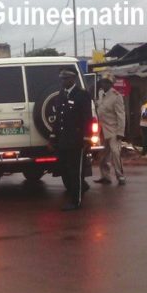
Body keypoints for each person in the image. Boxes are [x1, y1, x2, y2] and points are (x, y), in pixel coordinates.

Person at [48, 67, 92, 211]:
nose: (63, 81)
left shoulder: (82, 95)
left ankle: (76, 201)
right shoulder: (61, 95)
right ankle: (81, 187)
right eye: (62, 78)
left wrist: (87, 138)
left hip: (76, 140)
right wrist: (52, 137)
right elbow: (58, 119)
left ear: (73, 79)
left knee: (75, 172)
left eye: (66, 78)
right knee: (65, 169)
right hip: (63, 140)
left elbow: (87, 118)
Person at [94, 73, 126, 186]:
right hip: (102, 129)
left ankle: (120, 176)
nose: (104, 84)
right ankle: (105, 176)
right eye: (103, 82)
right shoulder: (100, 93)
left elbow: (121, 115)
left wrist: (120, 132)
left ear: (111, 84)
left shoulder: (116, 96)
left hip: (113, 129)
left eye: (106, 82)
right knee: (102, 155)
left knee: (115, 153)